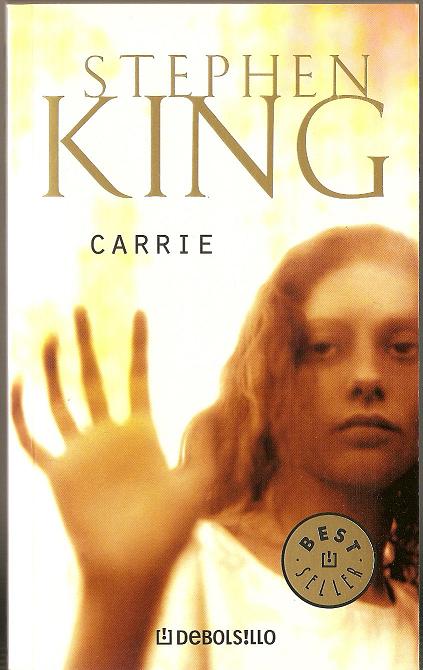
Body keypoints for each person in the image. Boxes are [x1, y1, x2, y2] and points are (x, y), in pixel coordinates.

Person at [12, 225, 418, 670]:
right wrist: (117, 595)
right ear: (273, 375)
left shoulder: (412, 617)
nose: (367, 377)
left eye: (403, 348)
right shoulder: (187, 569)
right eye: (323, 348)